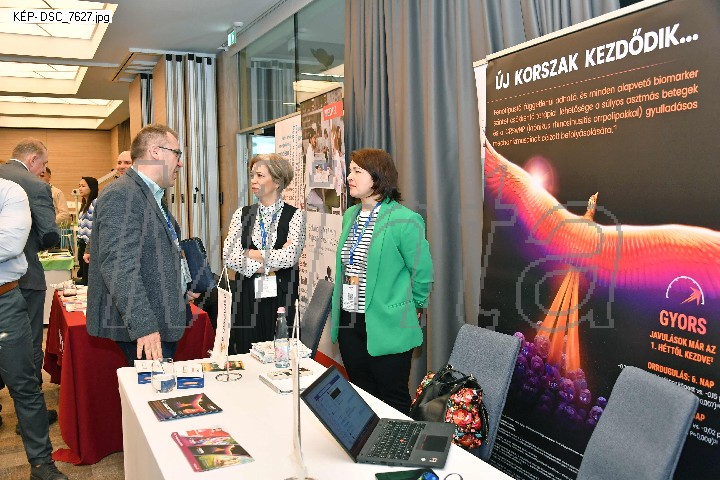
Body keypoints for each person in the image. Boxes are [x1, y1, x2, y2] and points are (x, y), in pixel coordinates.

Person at [86, 124, 199, 365]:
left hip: (162, 317)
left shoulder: (150, 195)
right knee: (153, 388)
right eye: (177, 154)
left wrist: (182, 284)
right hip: (147, 326)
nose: (180, 163)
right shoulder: (122, 194)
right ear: (156, 152)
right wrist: (144, 326)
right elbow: (119, 267)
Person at [331, 148, 433, 414]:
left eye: (357, 171)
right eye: (350, 171)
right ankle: (369, 439)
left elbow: (422, 271)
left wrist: (416, 304)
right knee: (362, 394)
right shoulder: (350, 216)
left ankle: (398, 440)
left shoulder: (405, 220)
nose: (349, 177)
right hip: (350, 321)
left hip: (387, 322)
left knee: (392, 397)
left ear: (377, 176)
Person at [0, 178, 68, 480]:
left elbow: (9, 244)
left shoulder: (9, 191)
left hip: (4, 302)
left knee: (25, 385)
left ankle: (41, 464)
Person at [223, 153, 306, 355]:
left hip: (282, 295)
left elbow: (290, 257)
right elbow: (228, 256)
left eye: (260, 175)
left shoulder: (296, 215)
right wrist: (268, 261)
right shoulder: (242, 214)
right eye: (252, 175)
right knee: (246, 353)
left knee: (280, 353)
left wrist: (249, 253)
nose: (253, 180)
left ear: (277, 182)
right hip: (246, 296)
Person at [0, 140, 60, 409]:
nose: (43, 170)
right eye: (43, 164)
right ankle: (30, 411)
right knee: (30, 343)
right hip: (24, 278)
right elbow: (49, 235)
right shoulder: (36, 186)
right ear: (33, 159)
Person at [76, 176, 98, 285]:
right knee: (84, 274)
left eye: (83, 186)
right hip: (82, 243)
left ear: (91, 188)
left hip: (89, 245)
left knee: (88, 277)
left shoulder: (95, 203)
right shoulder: (84, 204)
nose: (80, 188)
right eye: (79, 186)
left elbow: (95, 226)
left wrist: (88, 249)